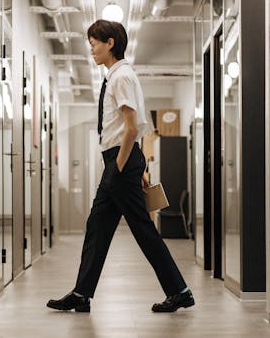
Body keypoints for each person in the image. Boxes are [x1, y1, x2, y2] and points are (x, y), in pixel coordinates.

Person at [46, 20, 194, 314]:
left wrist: (119, 168)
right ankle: (82, 293)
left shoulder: (121, 76)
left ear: (110, 42)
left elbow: (130, 127)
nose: (91, 50)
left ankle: (179, 291)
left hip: (120, 160)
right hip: (122, 160)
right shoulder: (116, 76)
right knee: (98, 227)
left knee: (140, 228)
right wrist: (132, 167)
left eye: (94, 43)